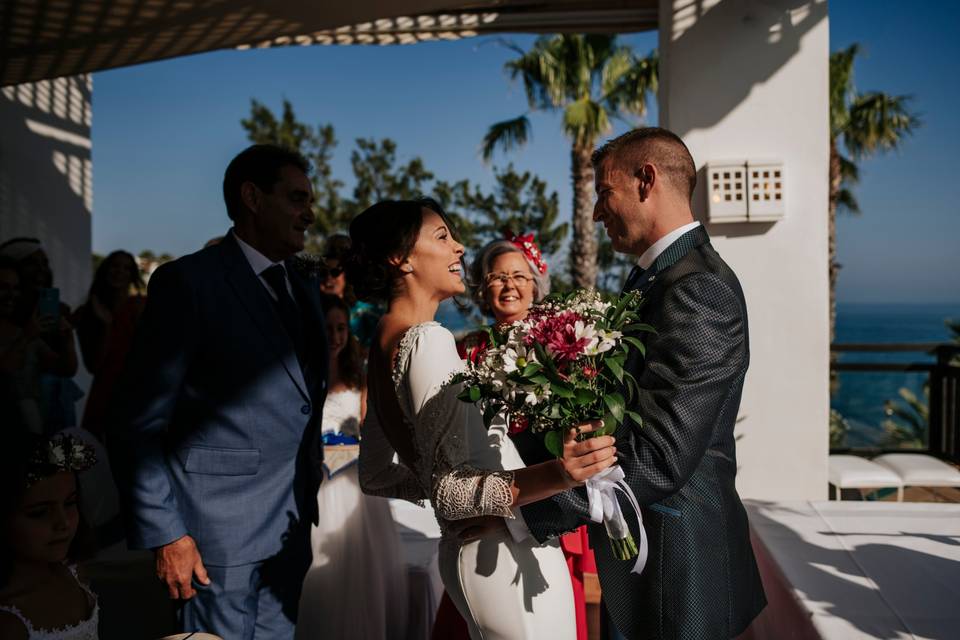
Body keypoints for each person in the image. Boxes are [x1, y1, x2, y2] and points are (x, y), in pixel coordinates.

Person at [518, 127, 767, 639]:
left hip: (678, 568)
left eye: (604, 193)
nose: (595, 212)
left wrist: (523, 509)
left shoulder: (698, 288)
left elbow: (660, 456)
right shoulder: (656, 279)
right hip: (646, 555)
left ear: (645, 180)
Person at [352, 197, 617, 640]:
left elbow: (374, 475)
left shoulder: (382, 341)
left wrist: (441, 487)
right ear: (400, 259)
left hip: (477, 553)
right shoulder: (429, 341)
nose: (459, 249)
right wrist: (560, 472)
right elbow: (451, 491)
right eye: (442, 237)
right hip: (506, 560)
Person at [109, 144, 329, 639]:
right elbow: (137, 422)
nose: (309, 215)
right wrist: (166, 531)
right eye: (296, 199)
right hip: (213, 536)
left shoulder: (303, 284)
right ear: (252, 197)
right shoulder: (188, 283)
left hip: (292, 525)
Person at [434, 234, 595, 640]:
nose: (510, 285)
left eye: (519, 276)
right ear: (483, 289)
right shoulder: (465, 350)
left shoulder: (560, 348)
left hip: (550, 493)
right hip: (489, 496)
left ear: (536, 285)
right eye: (498, 277)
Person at [296, 294, 406, 640]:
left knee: (358, 566)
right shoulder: (302, 374)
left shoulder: (359, 374)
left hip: (352, 481)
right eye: (327, 328)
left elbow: (369, 426)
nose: (335, 336)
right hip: (317, 479)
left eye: (341, 328)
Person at [0, 432, 99, 639]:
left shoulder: (74, 574)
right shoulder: (8, 620)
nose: (63, 523)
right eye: (39, 513)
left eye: (70, 503)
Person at [0, 238, 81, 433]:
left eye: (15, 288)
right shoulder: (25, 332)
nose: (41, 270)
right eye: (4, 288)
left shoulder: (28, 327)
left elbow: (66, 369)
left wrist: (67, 338)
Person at [72, 251, 145, 440]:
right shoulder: (87, 313)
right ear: (105, 270)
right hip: (104, 394)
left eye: (126, 268)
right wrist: (106, 325)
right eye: (115, 266)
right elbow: (94, 366)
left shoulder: (141, 306)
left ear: (132, 274)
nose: (119, 272)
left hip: (135, 391)